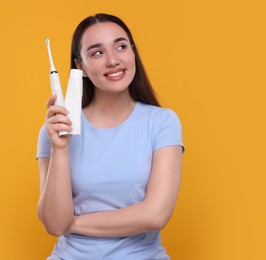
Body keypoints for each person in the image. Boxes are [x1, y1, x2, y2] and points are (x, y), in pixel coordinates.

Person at [36, 13, 184, 259]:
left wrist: (72, 223)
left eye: (121, 46)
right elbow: (53, 223)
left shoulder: (162, 122)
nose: (113, 60)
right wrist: (59, 149)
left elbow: (155, 215)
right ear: (80, 67)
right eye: (97, 52)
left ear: (133, 53)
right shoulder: (55, 130)